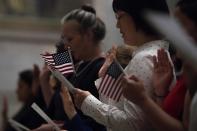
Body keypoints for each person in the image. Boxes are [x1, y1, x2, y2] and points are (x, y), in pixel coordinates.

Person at [73, 0, 173, 131]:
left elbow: (132, 124)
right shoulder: (153, 54)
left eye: (120, 17)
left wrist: (88, 103)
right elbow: (123, 109)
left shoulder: (144, 58)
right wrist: (104, 77)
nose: (117, 25)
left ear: (138, 14)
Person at [35, 5, 107, 131]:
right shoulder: (78, 66)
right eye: (64, 39)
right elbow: (57, 111)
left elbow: (100, 125)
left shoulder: (102, 69)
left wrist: (54, 129)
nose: (66, 45)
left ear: (88, 35)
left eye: (70, 39)